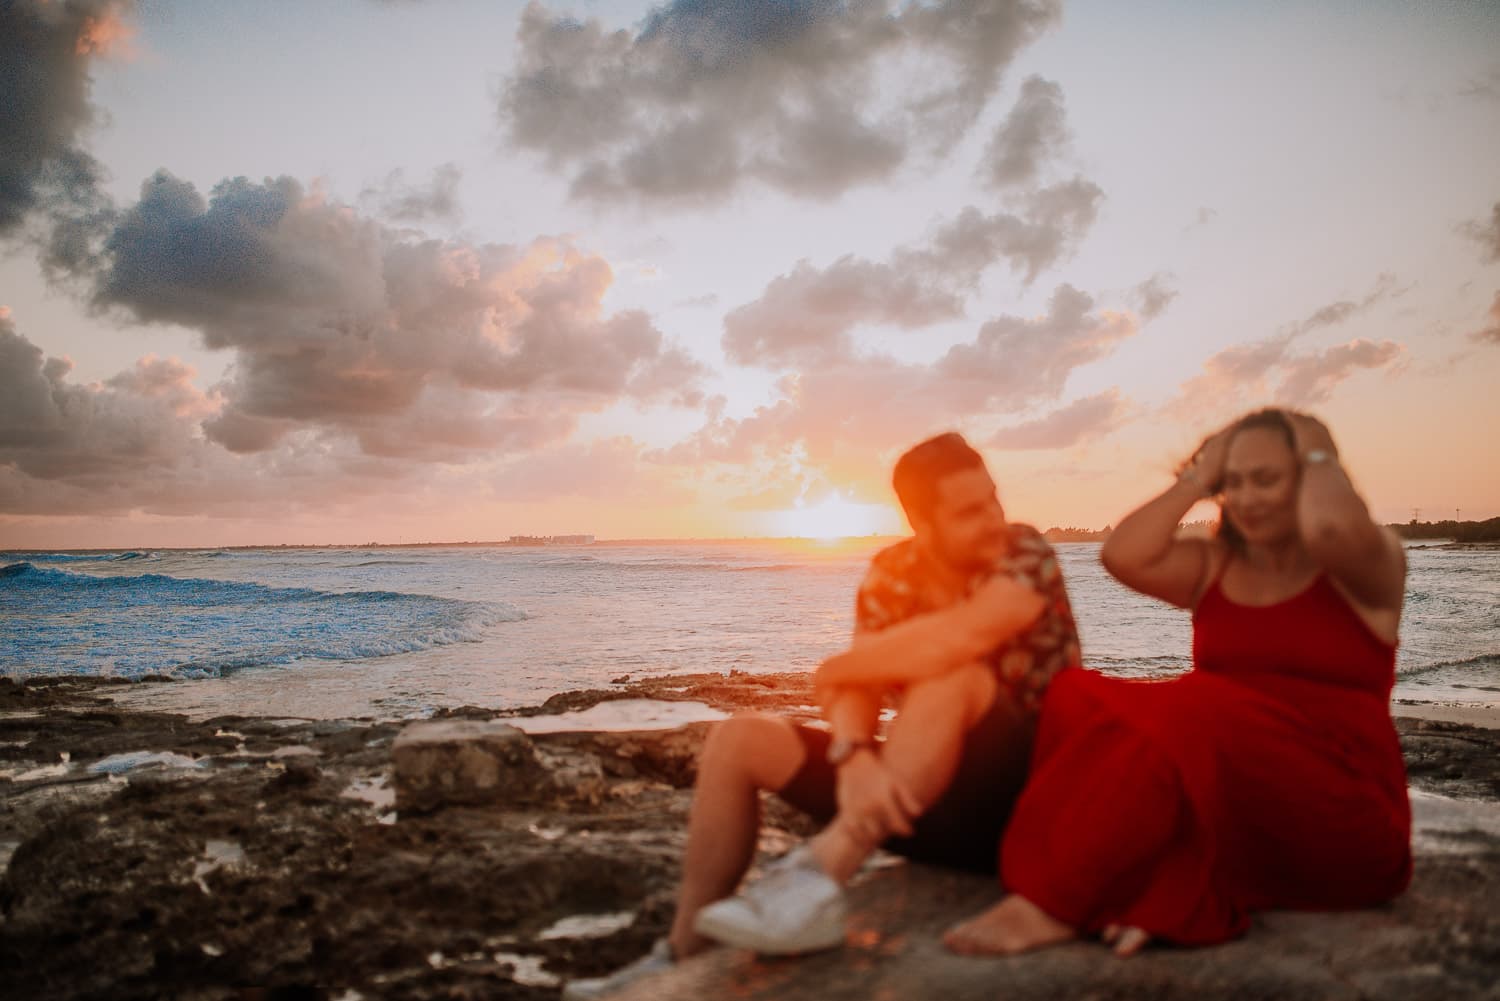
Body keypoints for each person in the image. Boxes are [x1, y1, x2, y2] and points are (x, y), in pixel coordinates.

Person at [565, 432, 1081, 999]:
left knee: (955, 674)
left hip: (1028, 802)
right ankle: (683, 954)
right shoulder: (893, 573)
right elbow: (856, 686)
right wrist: (855, 752)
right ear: (924, 525)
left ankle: (819, 876)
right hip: (920, 800)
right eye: (969, 511)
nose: (992, 518)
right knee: (739, 739)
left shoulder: (1025, 551)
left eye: (993, 499)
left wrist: (837, 671)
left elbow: (965, 636)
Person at [944, 408, 1412, 958]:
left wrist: (1314, 441)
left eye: (1266, 478)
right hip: (1241, 807)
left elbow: (1332, 527)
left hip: (1344, 820)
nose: (1248, 497)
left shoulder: (1370, 568)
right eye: (1233, 482)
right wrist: (1196, 478)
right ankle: (1143, 883)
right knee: (1077, 694)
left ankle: (1058, 899)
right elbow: (1121, 555)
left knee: (1194, 700)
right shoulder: (1215, 566)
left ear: (1308, 475)